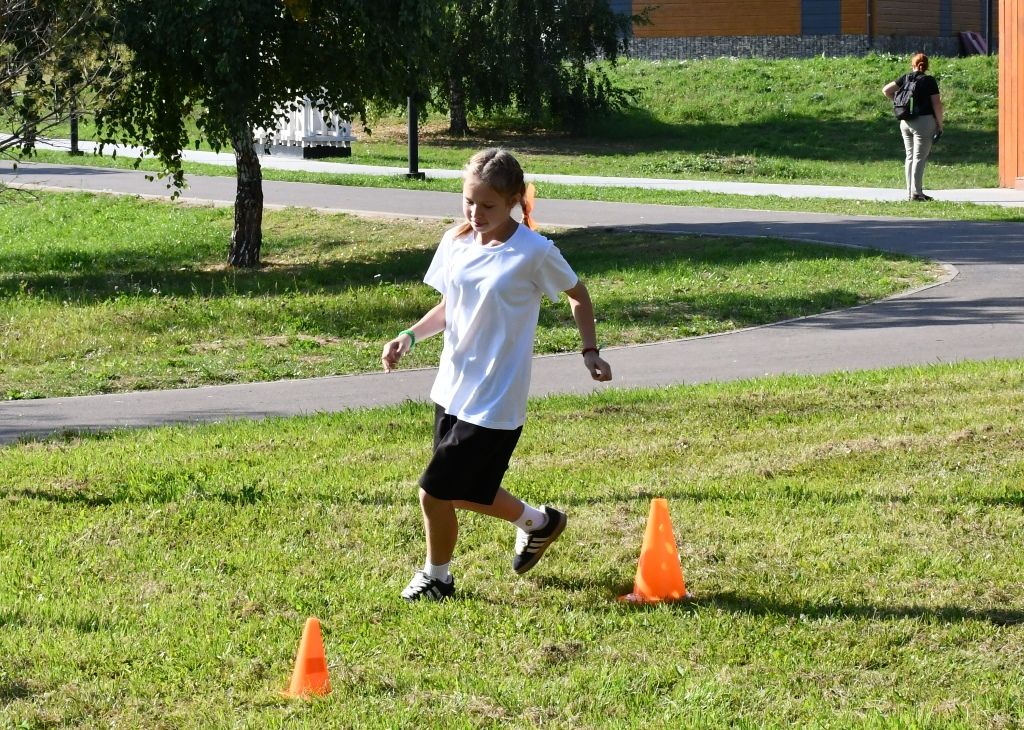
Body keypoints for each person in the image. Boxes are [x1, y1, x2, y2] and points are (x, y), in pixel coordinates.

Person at [380, 147, 613, 602]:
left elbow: (578, 296)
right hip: (452, 388)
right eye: (469, 201)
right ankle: (539, 522)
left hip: (496, 397)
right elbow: (451, 306)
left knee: (432, 492)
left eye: (487, 205)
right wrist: (409, 335)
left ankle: (438, 579)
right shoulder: (456, 242)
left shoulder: (533, 251)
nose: (475, 212)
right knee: (460, 492)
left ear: (512, 201)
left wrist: (589, 351)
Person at [883, 52, 944, 202]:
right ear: (926, 66)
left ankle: (911, 192)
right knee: (919, 158)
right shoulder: (929, 81)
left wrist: (898, 103)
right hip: (924, 122)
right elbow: (937, 104)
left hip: (905, 122)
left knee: (910, 157)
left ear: (913, 65)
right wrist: (940, 124)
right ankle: (917, 194)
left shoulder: (905, 77)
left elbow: (886, 90)